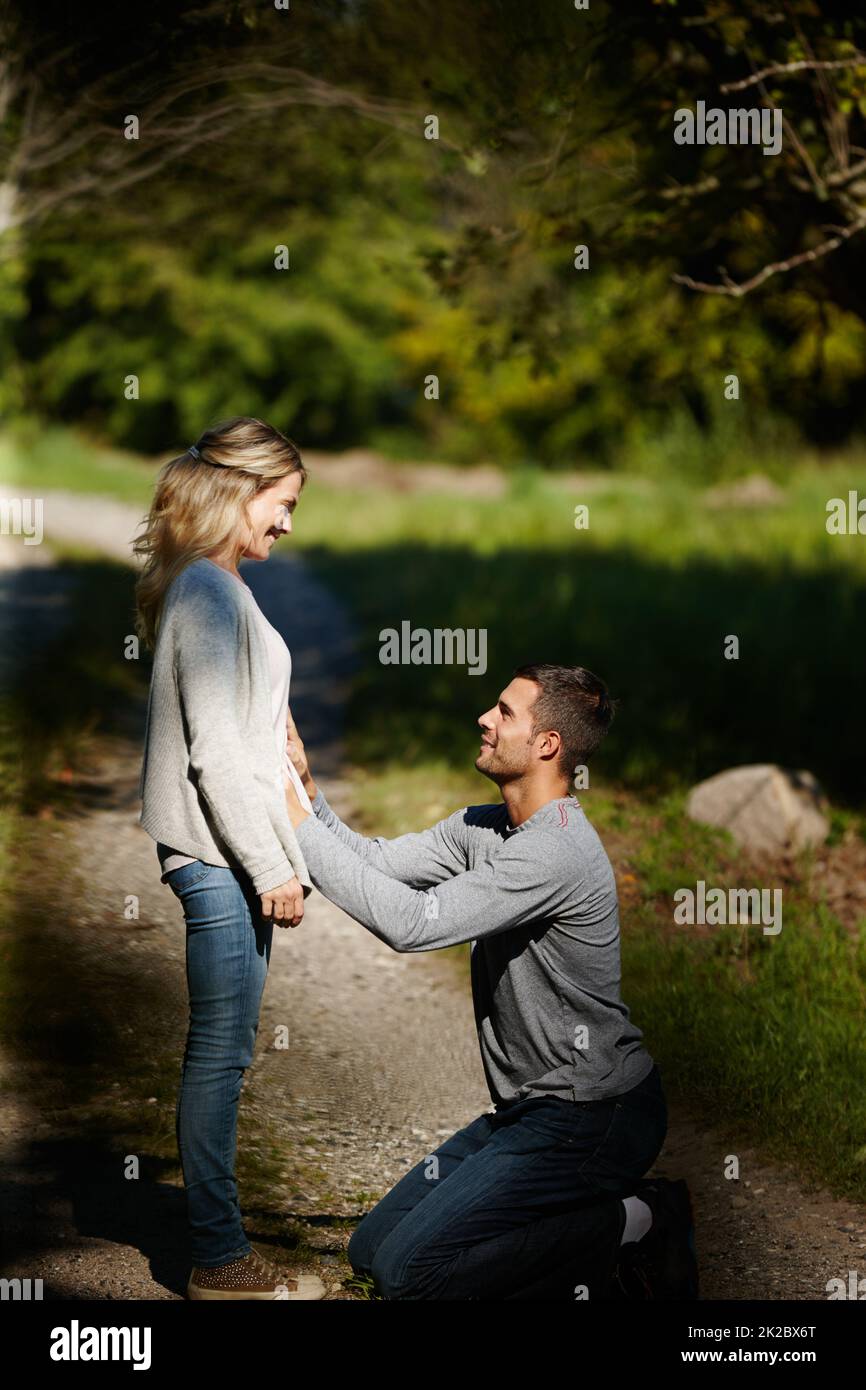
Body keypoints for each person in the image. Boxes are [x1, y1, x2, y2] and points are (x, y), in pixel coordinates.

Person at [283, 663, 698, 1300]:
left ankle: (638, 1221)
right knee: (371, 1250)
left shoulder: (555, 851)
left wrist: (297, 825)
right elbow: (380, 863)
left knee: (411, 1275)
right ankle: (570, 1229)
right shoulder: (486, 826)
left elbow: (413, 924)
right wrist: (309, 797)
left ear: (547, 745)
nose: (485, 717)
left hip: (593, 1115)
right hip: (530, 1110)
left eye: (505, 712)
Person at [135, 416, 324, 1300]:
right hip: (218, 859)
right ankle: (218, 1258)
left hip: (226, 855)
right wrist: (272, 869)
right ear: (240, 491)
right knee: (220, 1055)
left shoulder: (218, 588)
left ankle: (221, 1245)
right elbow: (210, 753)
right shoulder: (209, 592)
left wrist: (282, 727)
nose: (287, 524)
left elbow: (235, 713)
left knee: (229, 1050)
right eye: (281, 504)